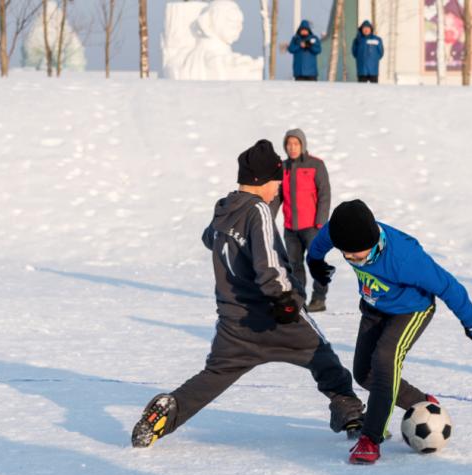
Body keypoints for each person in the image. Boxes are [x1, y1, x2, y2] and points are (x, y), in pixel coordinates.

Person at [131, 140, 364, 449]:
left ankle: (171, 409)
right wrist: (283, 299)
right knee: (324, 359)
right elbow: (268, 262)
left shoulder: (225, 207)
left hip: (234, 323)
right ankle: (351, 416)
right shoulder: (258, 211)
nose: (279, 186)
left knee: (214, 375)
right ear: (264, 181)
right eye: (277, 181)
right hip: (275, 316)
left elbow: (209, 238)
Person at [307, 201, 472, 465]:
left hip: (411, 311)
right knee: (364, 374)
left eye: (361, 256)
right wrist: (314, 262)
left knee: (384, 361)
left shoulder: (406, 258)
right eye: (348, 256)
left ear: (375, 241)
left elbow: (448, 286)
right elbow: (320, 244)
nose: (355, 260)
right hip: (373, 307)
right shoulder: (339, 231)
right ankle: (424, 403)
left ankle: (371, 439)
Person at [278, 128, 331, 311]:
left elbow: (325, 194)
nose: (292, 147)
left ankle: (319, 299)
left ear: (303, 145)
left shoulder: (316, 165)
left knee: (316, 263)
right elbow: (278, 197)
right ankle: (299, 300)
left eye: (296, 143)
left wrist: (321, 222)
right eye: (289, 144)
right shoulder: (282, 167)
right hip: (290, 228)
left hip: (312, 226)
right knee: (294, 266)